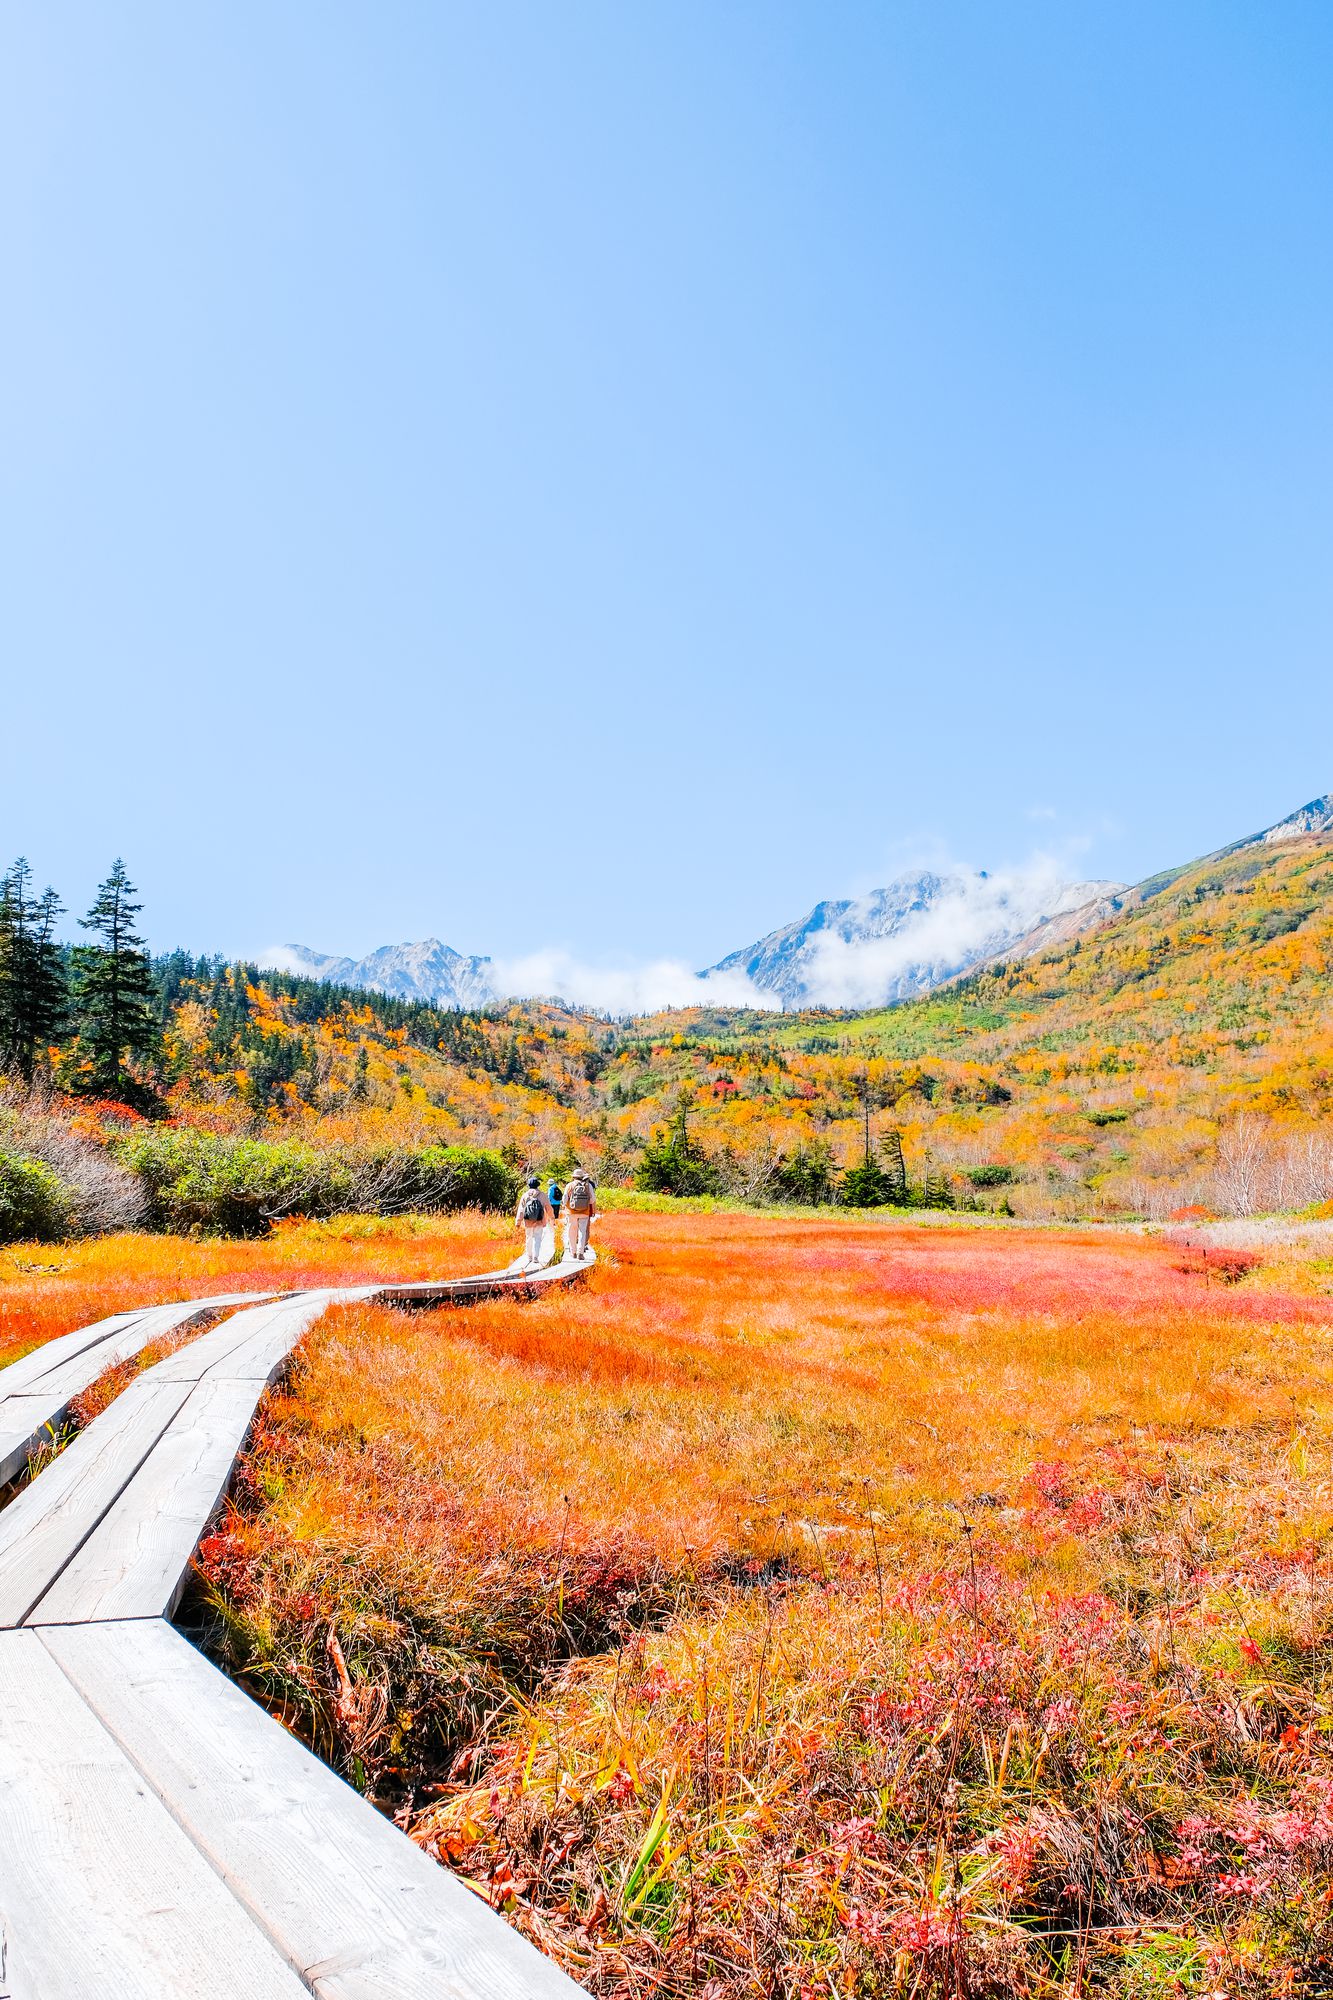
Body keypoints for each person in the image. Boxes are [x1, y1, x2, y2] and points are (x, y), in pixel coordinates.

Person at [515, 1176, 554, 1269]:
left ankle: (529, 1256)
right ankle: (536, 1257)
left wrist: (518, 1222)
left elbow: (521, 1210)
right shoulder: (543, 1195)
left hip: (528, 1221)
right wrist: (552, 1218)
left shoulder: (525, 1195)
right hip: (539, 1221)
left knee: (529, 1238)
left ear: (529, 1185)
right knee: (537, 1238)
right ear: (538, 1185)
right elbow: (549, 1208)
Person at [562, 1165, 596, 1261]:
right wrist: (585, 1204)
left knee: (572, 1232)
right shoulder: (588, 1185)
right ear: (582, 1176)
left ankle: (573, 1252)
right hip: (584, 1212)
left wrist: (565, 1205)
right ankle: (580, 1253)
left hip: (571, 1212)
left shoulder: (570, 1185)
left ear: (574, 1176)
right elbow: (592, 1199)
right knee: (582, 1232)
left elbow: (564, 1199)